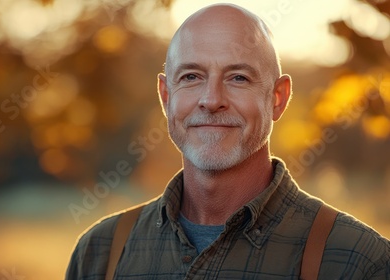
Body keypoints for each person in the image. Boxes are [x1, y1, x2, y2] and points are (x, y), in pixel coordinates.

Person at [66, 3, 390, 279]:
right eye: (191, 76)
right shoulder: (99, 255)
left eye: (238, 78)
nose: (211, 100)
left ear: (278, 98)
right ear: (166, 97)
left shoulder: (358, 260)